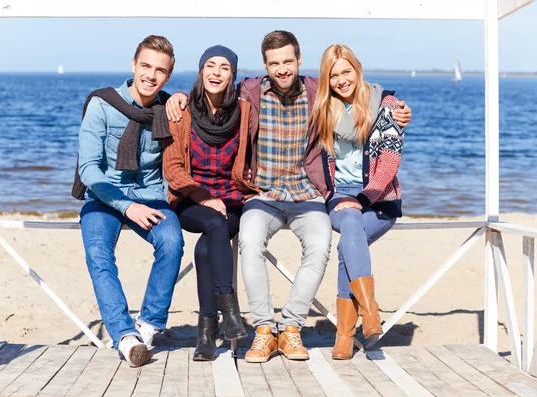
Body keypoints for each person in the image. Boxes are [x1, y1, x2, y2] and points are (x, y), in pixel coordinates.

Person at [165, 31, 411, 364]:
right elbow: (212, 88)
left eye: (288, 61)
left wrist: (395, 106)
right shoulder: (249, 92)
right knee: (250, 242)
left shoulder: (317, 92)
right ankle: (265, 330)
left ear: (298, 60)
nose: (282, 69)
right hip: (262, 194)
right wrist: (177, 96)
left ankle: (292, 327)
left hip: (307, 194)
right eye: (274, 63)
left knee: (321, 244)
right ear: (265, 65)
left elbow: (364, 92)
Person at [74, 35, 184, 368]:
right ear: (134, 65)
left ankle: (148, 324)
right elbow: (88, 169)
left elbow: (204, 111)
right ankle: (125, 336)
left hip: (149, 195)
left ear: (168, 75)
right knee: (98, 252)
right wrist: (125, 206)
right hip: (105, 195)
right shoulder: (102, 104)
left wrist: (182, 97)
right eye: (146, 66)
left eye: (160, 71)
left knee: (172, 240)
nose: (151, 75)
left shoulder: (168, 108)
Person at [310, 44, 406, 360]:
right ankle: (369, 313)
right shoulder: (323, 109)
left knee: (348, 243)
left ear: (358, 68)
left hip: (380, 198)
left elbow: (390, 162)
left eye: (346, 71)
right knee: (350, 224)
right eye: (334, 75)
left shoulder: (387, 106)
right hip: (339, 194)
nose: (341, 80)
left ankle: (345, 334)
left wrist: (364, 197)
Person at [163, 45, 258, 361]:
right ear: (201, 70)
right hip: (189, 199)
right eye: (210, 66)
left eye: (224, 68)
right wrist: (202, 195)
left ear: (233, 75)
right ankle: (230, 311)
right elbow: (173, 168)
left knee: (206, 246)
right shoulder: (183, 111)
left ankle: (206, 332)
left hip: (231, 199)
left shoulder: (244, 112)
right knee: (213, 223)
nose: (216, 73)